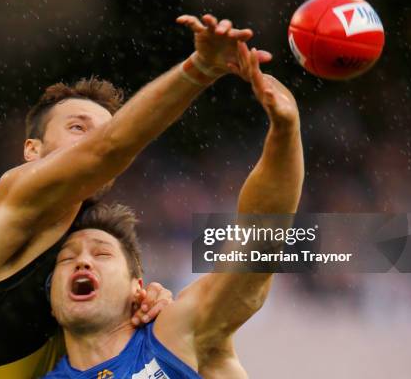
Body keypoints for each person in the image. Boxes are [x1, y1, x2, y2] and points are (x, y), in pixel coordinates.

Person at [0, 14, 272, 378]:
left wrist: (146, 301)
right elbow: (107, 150)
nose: (93, 138)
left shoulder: (87, 243)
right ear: (32, 150)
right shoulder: (13, 199)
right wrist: (201, 69)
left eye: (105, 129)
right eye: (78, 127)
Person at [43, 48, 304, 378]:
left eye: (102, 253)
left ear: (137, 289)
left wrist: (284, 133)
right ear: (51, 302)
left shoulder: (177, 336)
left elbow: (259, 243)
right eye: (67, 259)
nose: (82, 261)